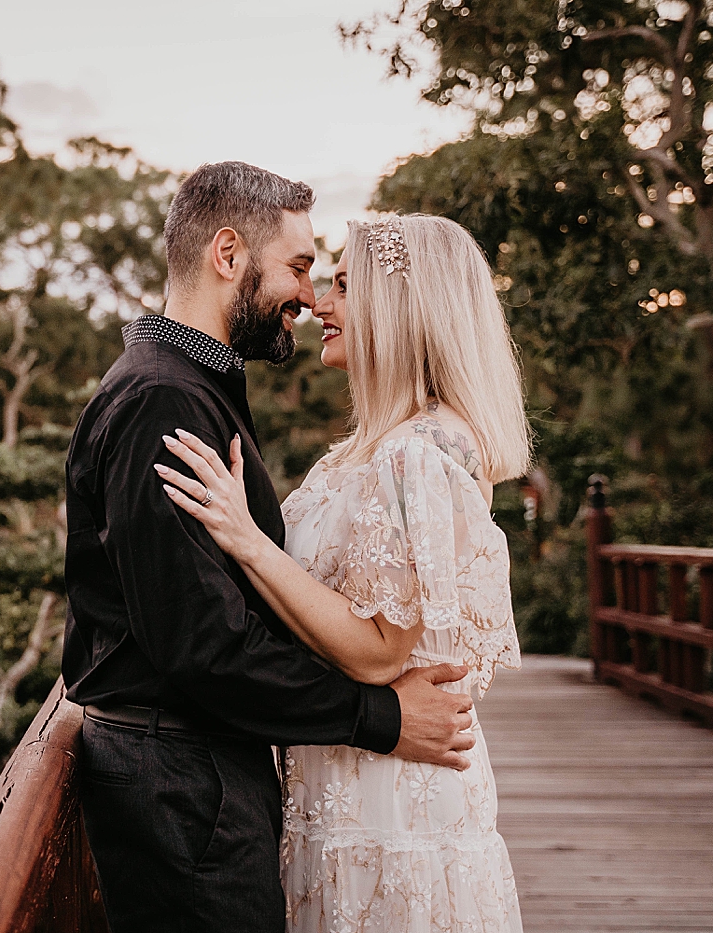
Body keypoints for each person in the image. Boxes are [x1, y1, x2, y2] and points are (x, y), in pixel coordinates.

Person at [62, 163, 478, 933]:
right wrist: (379, 716)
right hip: (183, 780)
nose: (309, 295)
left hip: (200, 772)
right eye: (299, 266)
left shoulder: (193, 387)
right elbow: (202, 644)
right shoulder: (164, 399)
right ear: (228, 255)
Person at [159, 213, 529, 932]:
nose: (319, 305)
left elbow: (383, 645)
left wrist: (246, 539)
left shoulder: (423, 452)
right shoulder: (372, 448)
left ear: (402, 304)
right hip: (343, 777)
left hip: (393, 793)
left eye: (341, 285)